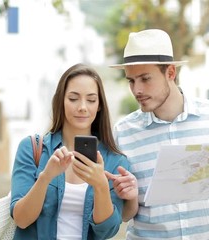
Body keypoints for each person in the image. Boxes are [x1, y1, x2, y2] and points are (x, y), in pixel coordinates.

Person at [105, 29, 209, 239]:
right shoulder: (123, 133)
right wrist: (125, 196)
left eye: (145, 78)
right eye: (131, 80)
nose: (137, 89)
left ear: (170, 73)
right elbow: (122, 214)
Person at [10, 63, 129, 239]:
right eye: (73, 98)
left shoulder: (115, 160)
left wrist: (101, 186)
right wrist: (46, 177)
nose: (82, 107)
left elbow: (107, 232)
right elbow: (21, 219)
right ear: (61, 101)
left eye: (91, 100)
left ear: (99, 105)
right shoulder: (31, 148)